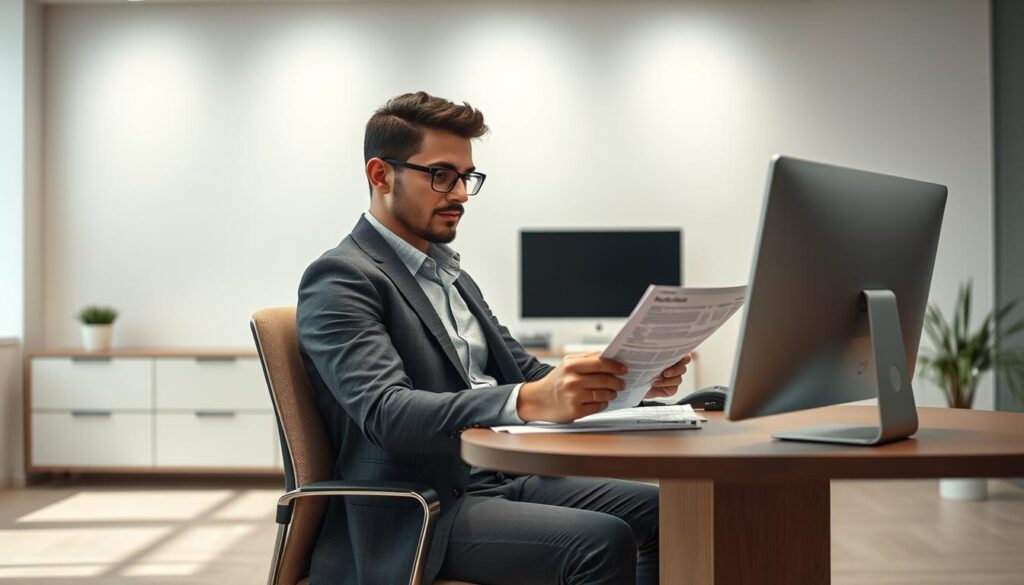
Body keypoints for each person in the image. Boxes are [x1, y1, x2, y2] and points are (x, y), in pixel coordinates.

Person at [297, 91, 691, 585]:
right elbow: (387, 413)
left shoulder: (451, 276)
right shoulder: (341, 278)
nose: (460, 193)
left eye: (466, 177)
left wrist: (627, 377)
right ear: (381, 175)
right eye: (441, 175)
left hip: (500, 478)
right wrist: (530, 399)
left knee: (667, 510)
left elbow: (524, 375)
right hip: (425, 507)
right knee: (601, 540)